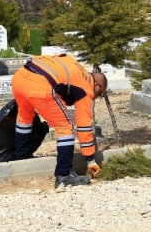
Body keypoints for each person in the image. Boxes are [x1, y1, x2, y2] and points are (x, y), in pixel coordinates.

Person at [11, 53, 108, 188]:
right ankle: (64, 174)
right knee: (65, 126)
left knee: (24, 116)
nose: (95, 97)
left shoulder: (72, 62)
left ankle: (21, 158)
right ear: (97, 85)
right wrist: (90, 159)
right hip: (40, 84)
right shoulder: (86, 87)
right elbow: (84, 126)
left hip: (19, 77)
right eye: (99, 93)